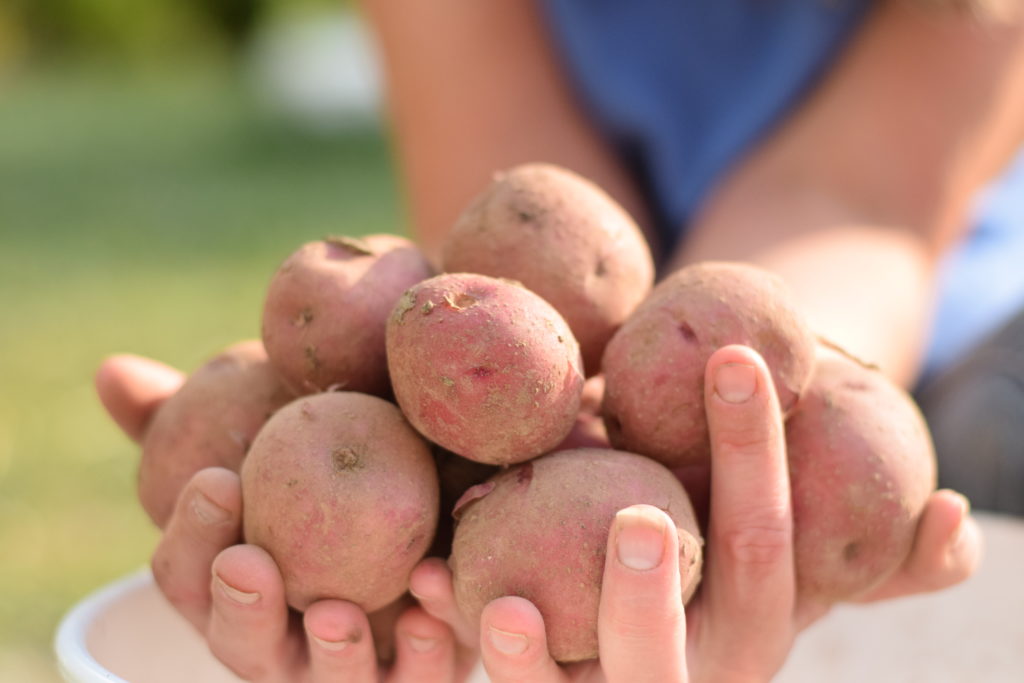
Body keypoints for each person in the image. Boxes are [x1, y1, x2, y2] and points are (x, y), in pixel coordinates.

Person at [97, 0, 1022, 679]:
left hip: (912, 308)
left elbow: (855, 198)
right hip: (567, 357)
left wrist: (752, 433)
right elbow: (523, 209)